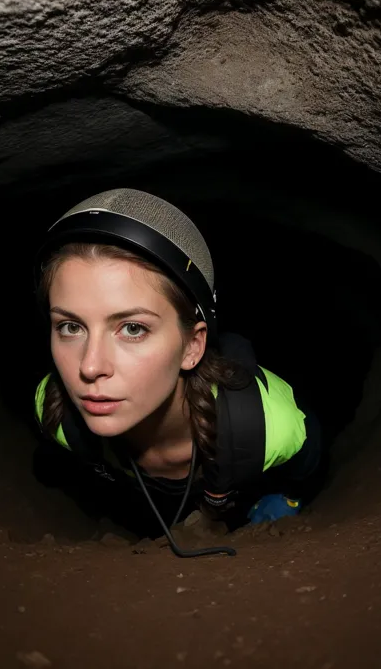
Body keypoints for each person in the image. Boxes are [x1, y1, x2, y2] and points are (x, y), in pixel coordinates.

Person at [32, 188, 326, 557]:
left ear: (192, 346)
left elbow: (309, 455)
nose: (89, 367)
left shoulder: (267, 425)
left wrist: (290, 497)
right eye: (70, 327)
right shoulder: (57, 413)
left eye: (133, 328)